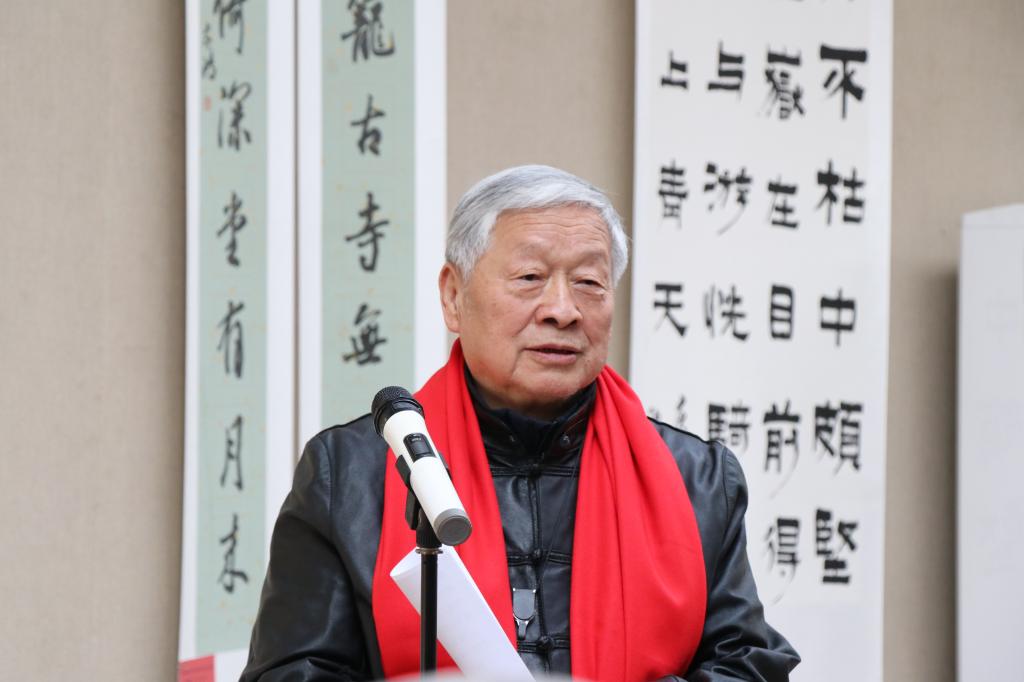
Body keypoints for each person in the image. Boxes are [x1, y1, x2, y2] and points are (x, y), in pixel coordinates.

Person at [241, 165, 799, 681]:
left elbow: (748, 662)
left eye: (589, 282)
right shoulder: (351, 472)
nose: (563, 310)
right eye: (530, 276)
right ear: (453, 296)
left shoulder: (697, 478)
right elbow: (293, 672)